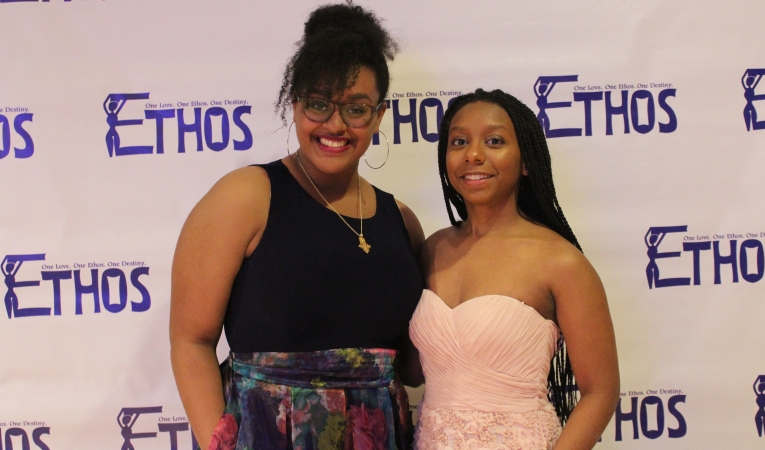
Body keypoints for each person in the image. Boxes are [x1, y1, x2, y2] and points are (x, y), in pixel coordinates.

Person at [169, 4, 424, 450]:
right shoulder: (247, 196)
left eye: (356, 109)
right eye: (318, 104)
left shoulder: (401, 221)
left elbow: (414, 366)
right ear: (295, 104)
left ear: (380, 116)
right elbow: (191, 341)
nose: (335, 125)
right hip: (267, 435)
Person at [410, 89, 619, 449]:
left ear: (525, 162)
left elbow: (600, 391)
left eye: (494, 141)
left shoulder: (560, 261)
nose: (473, 155)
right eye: (459, 141)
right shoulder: (433, 248)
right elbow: (413, 370)